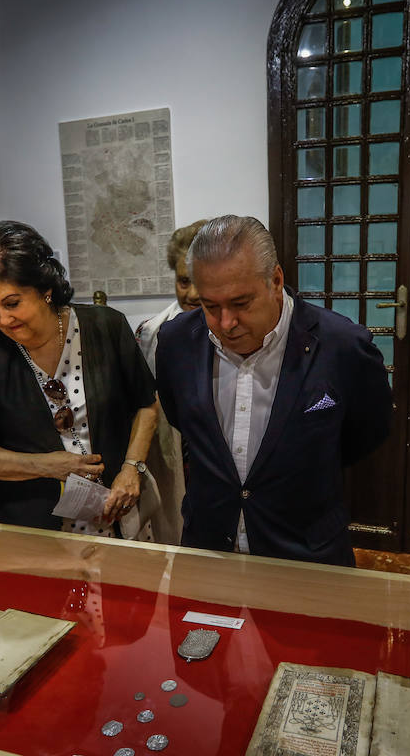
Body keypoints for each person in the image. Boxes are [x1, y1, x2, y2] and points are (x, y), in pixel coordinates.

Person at [154, 215, 391, 566]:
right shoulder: (176, 342)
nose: (226, 323)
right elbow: (183, 419)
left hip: (307, 556)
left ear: (275, 281)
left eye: (241, 303)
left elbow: (367, 433)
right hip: (207, 550)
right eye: (210, 306)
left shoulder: (343, 347)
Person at [0, 220, 158, 536]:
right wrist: (47, 465)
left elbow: (146, 406)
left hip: (120, 516)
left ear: (45, 289)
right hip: (37, 527)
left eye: (12, 303)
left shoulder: (107, 327)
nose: (3, 320)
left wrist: (132, 468)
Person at [133, 218, 207, 544]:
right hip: (174, 456)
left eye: (200, 281)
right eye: (182, 281)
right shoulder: (151, 332)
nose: (191, 294)